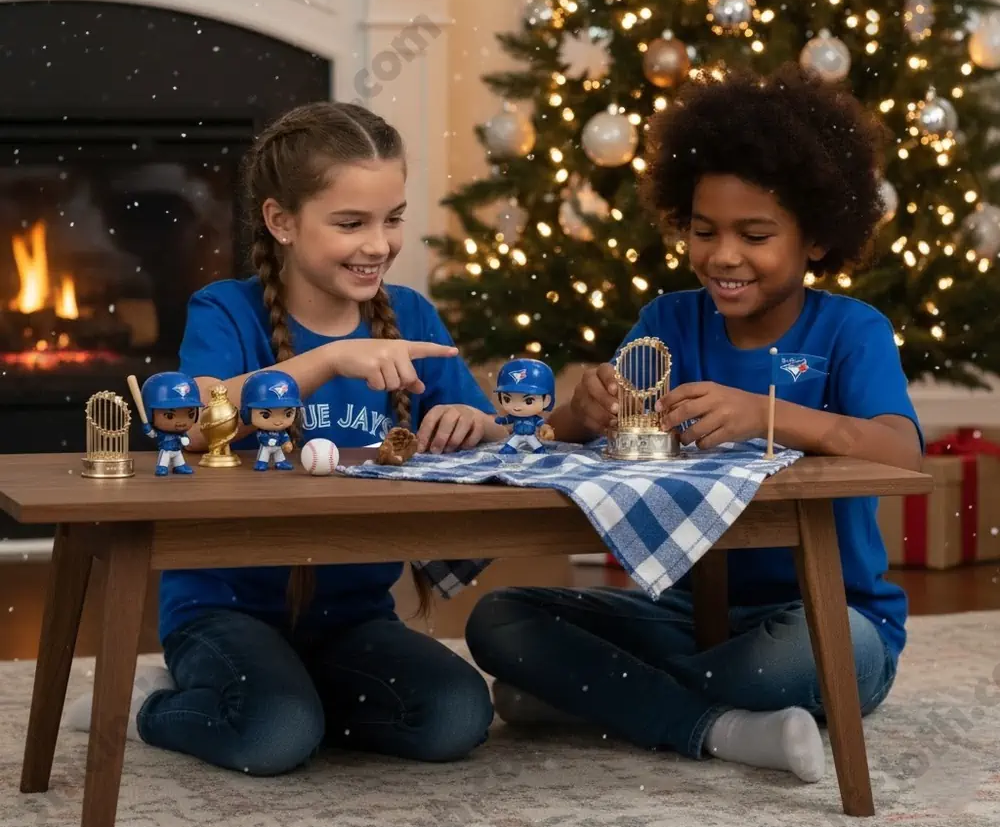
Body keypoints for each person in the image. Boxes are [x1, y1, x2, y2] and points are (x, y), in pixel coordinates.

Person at [465, 64, 924, 784]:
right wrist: (578, 415)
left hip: (826, 617)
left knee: (784, 665)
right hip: (682, 610)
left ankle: (603, 697)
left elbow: (903, 454)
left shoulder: (850, 331)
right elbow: (578, 439)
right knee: (497, 621)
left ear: (817, 239)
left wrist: (768, 416)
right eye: (704, 230)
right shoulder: (668, 322)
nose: (723, 256)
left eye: (755, 233)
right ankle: (710, 723)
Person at [68, 101, 507, 775]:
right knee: (274, 736)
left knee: (455, 714)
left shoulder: (410, 315)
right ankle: (163, 706)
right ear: (281, 221)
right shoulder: (224, 310)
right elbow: (193, 429)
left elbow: (494, 434)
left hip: (353, 615)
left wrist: (476, 425)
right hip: (224, 612)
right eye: (350, 223)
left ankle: (303, 700)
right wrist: (326, 361)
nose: (379, 244)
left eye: (392, 219)